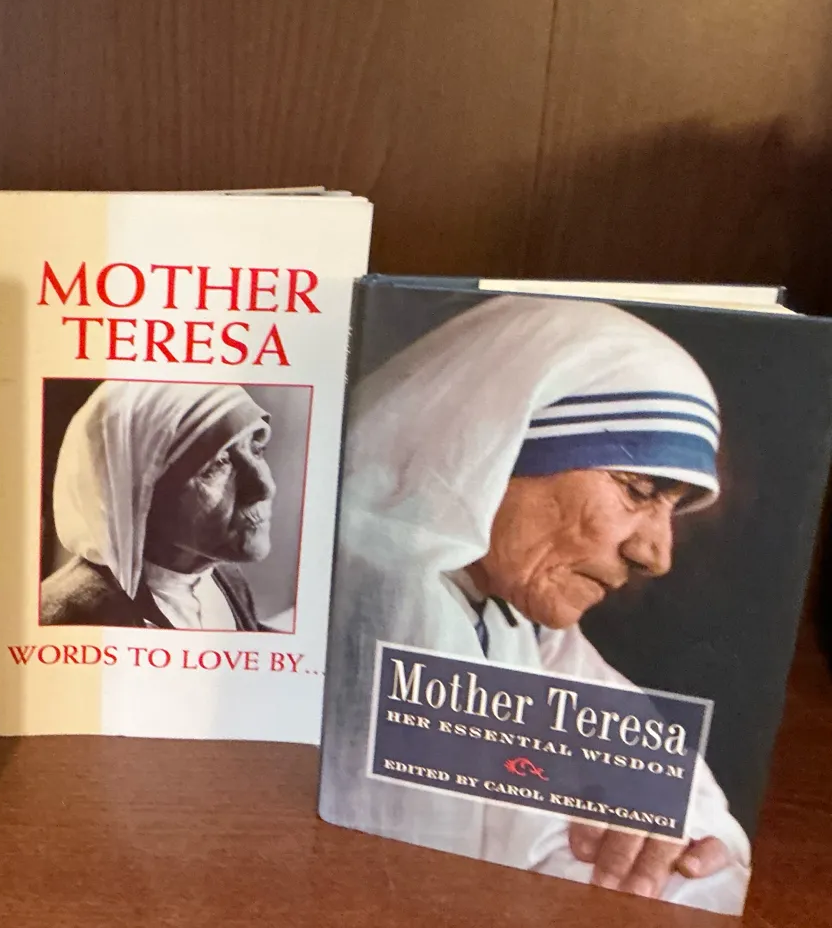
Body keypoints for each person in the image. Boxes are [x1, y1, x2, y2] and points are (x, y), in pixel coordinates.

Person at [318, 295, 751, 914]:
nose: (656, 554)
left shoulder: (517, 622)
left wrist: (676, 838)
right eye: (638, 489)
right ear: (494, 449)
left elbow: (679, 791)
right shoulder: (357, 615)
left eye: (671, 510)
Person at [40, 381, 278, 630]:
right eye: (217, 465)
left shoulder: (225, 578)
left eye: (257, 450)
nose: (264, 487)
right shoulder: (69, 618)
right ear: (134, 494)